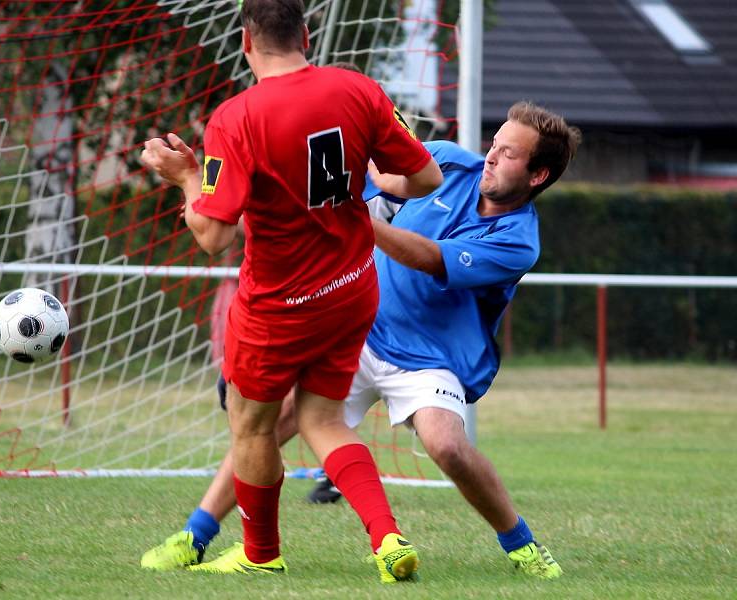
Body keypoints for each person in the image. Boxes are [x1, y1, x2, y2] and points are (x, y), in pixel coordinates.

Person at [141, 99, 581, 581]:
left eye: (510, 154)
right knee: (268, 421)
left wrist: (354, 220)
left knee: (446, 445)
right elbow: (383, 179)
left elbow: (429, 257)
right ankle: (194, 537)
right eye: (494, 144)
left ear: (537, 175)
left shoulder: (519, 240)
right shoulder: (451, 162)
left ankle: (521, 545)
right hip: (361, 330)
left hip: (431, 360)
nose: (492, 156)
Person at [139, 0, 442, 584]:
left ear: (245, 42)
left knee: (251, 427)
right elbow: (426, 177)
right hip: (353, 289)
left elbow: (214, 237)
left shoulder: (234, 118)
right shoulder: (359, 89)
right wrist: (372, 181)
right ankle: (386, 538)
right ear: (306, 34)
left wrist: (183, 179)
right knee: (323, 419)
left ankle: (260, 553)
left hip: (278, 306)